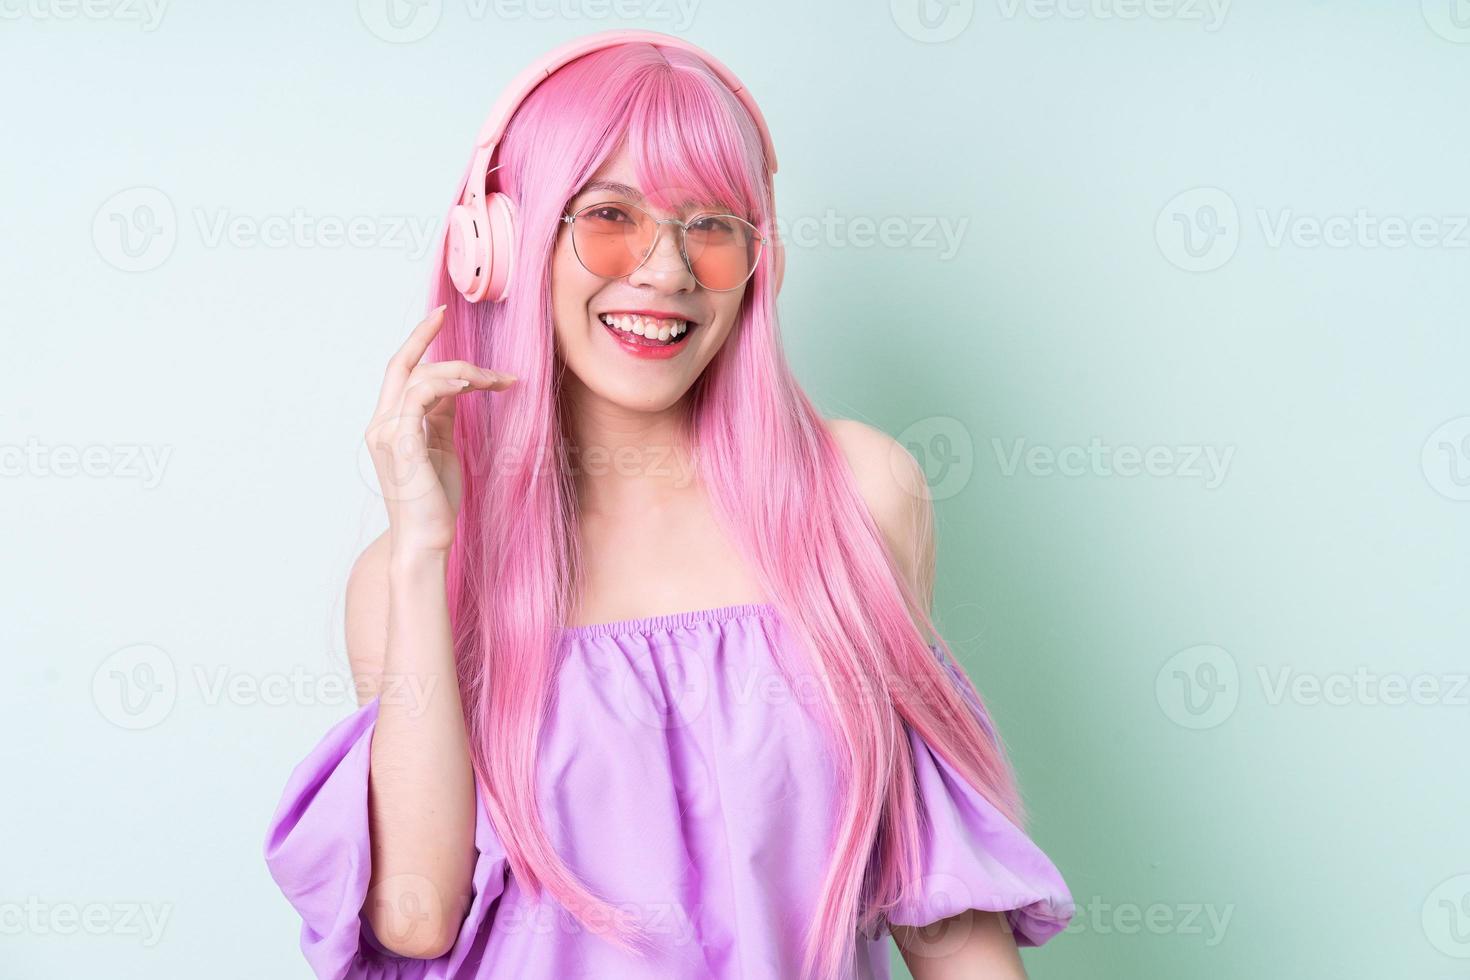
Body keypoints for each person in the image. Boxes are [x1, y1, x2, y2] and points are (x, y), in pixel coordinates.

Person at [262, 30, 1073, 980]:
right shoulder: (414, 580)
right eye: (610, 215)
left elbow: (939, 908)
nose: (667, 270)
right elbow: (414, 915)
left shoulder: (860, 497)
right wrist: (420, 550)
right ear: (499, 245)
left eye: (713, 225)